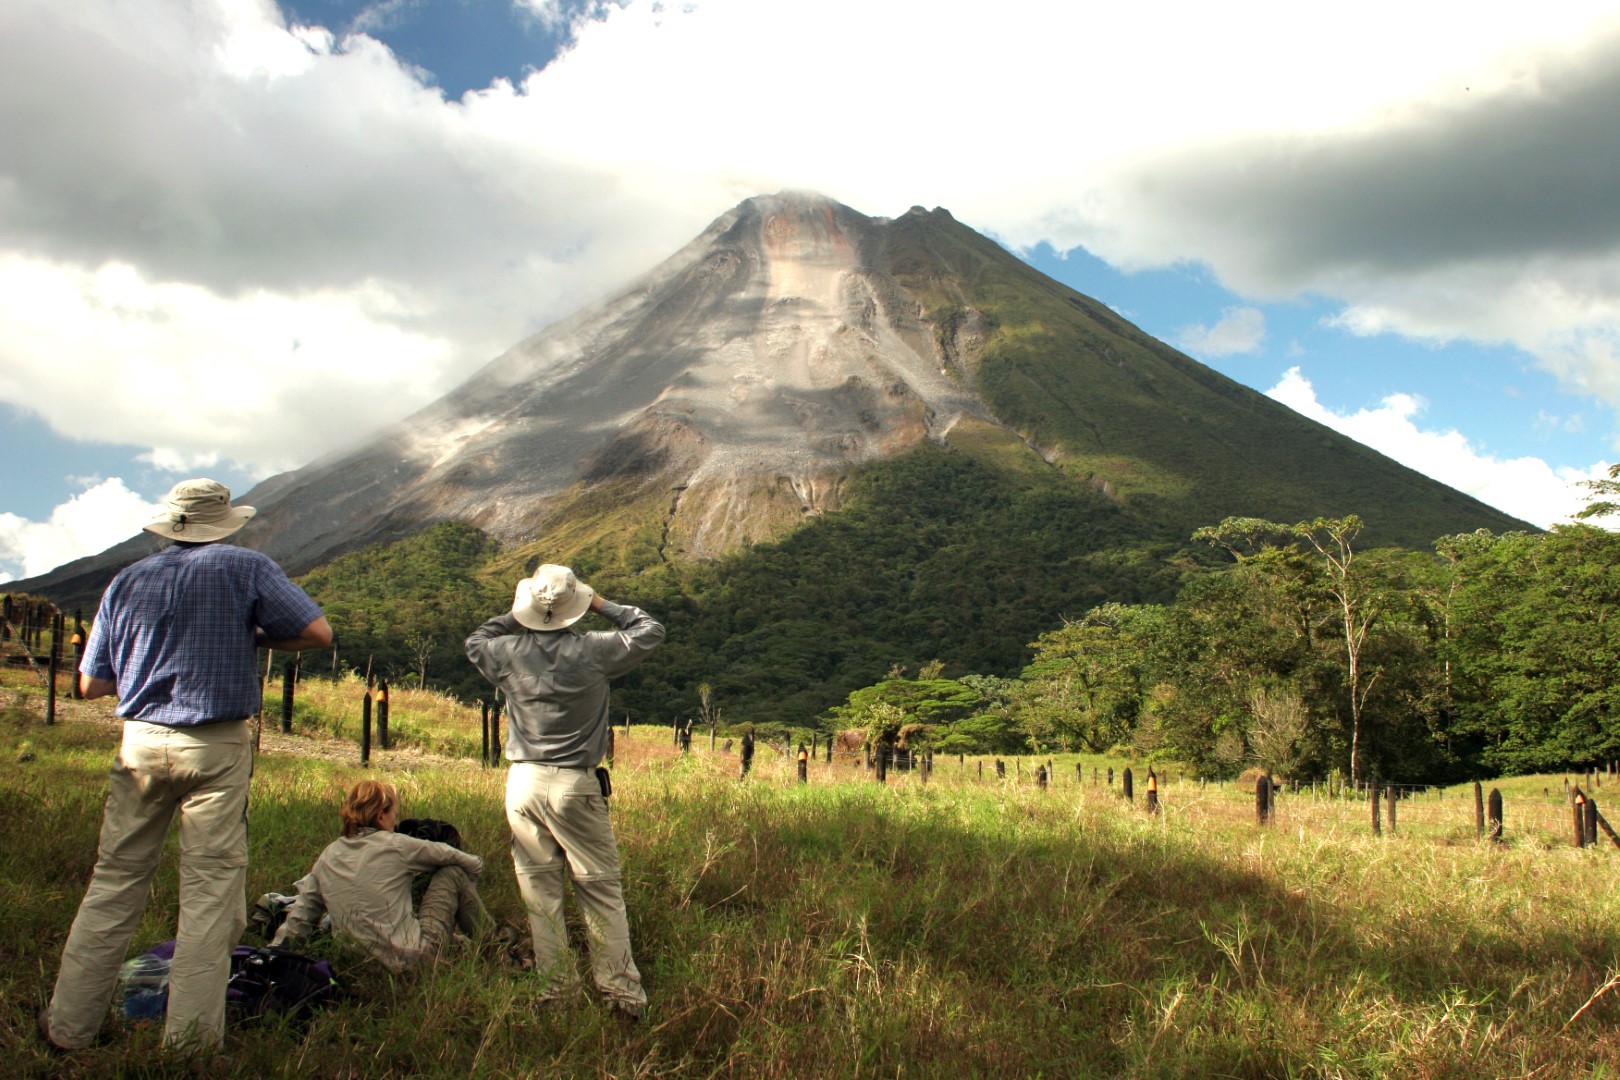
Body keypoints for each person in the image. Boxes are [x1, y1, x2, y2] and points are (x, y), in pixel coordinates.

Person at [41, 479, 332, 1056]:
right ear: (225, 521)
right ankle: (189, 1047)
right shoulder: (245, 567)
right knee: (210, 893)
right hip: (214, 746)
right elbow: (318, 632)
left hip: (140, 745)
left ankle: (68, 1028)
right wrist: (245, 633)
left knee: (114, 882)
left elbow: (91, 684)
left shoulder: (126, 580)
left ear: (171, 525)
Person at [464, 564, 663, 1019]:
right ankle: (621, 995)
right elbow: (649, 629)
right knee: (599, 889)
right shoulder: (594, 650)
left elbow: (475, 640)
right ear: (577, 607)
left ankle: (558, 994)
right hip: (575, 781)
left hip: (523, 781)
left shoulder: (508, 652)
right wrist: (599, 604)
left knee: (540, 893)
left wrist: (521, 614)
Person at [271, 779, 503, 971]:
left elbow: (300, 917)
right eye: (394, 814)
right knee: (453, 873)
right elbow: (465, 861)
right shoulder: (397, 845)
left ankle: (465, 946)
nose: (396, 820)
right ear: (381, 815)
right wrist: (471, 881)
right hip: (412, 959)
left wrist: (273, 954)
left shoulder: (328, 855)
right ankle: (498, 949)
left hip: (358, 967)